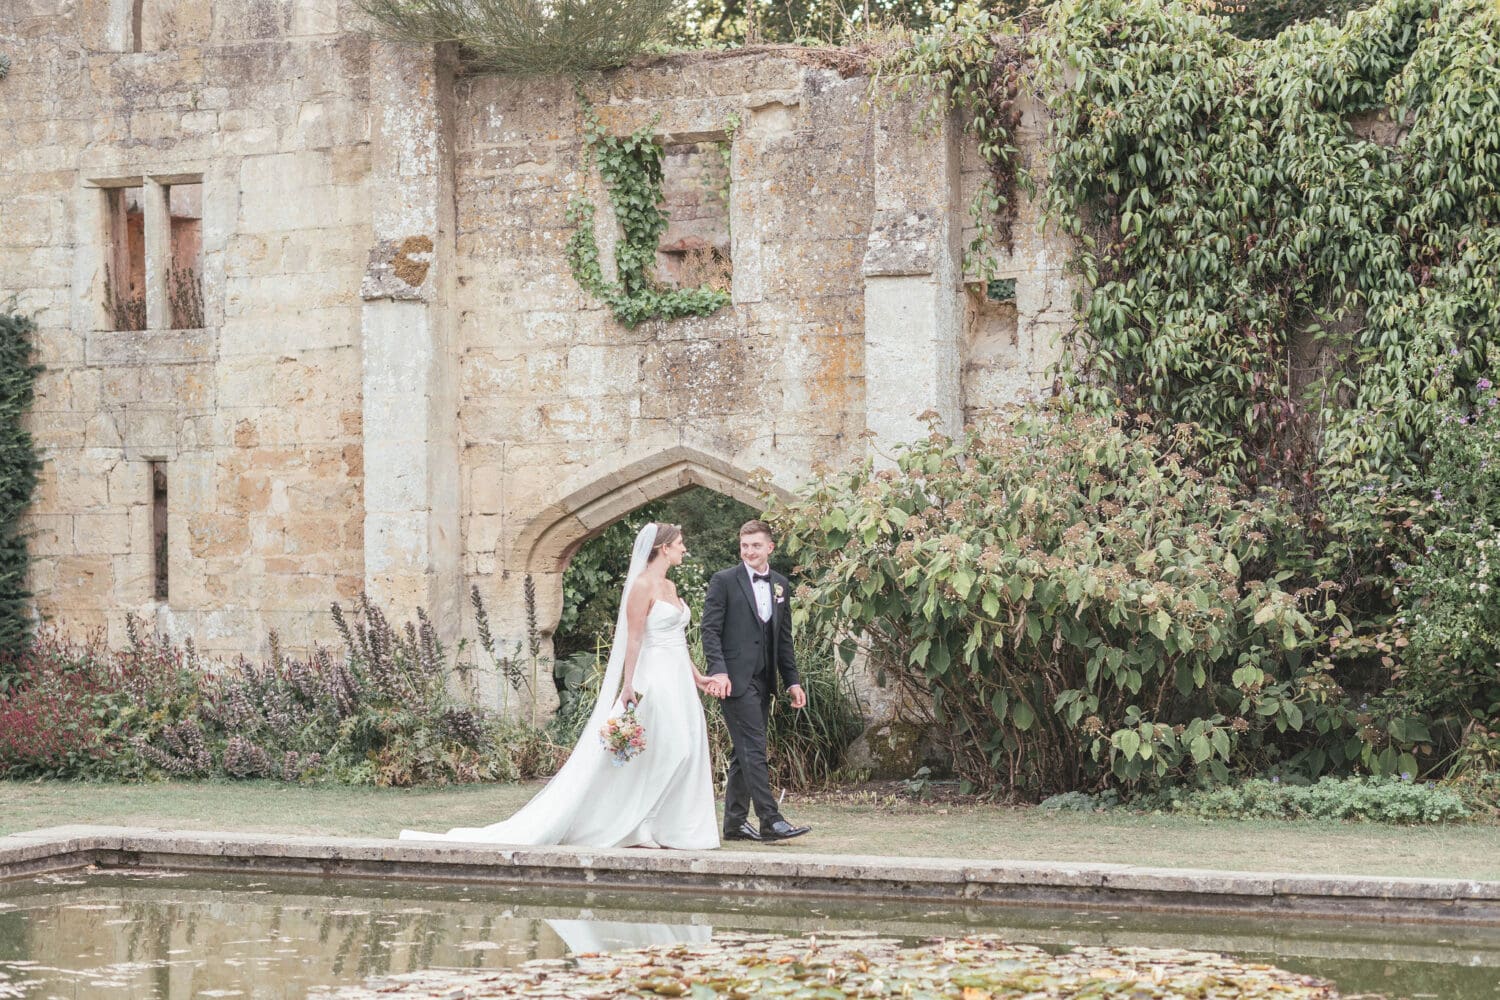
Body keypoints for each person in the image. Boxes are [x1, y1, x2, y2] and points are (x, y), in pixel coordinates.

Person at [399, 523, 729, 849]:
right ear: (664, 548)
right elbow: (634, 639)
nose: (684, 548)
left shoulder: (670, 586)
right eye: (680, 543)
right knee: (672, 748)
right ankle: (635, 824)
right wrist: (628, 684)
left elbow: (676, 639)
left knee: (683, 747)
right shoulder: (642, 586)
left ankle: (663, 825)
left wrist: (697, 676)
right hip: (654, 679)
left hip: (679, 680)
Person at [700, 519, 812, 842]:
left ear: (770, 548)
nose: (749, 551)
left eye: (756, 546)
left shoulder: (780, 585)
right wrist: (718, 671)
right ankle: (770, 820)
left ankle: (735, 824)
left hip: (765, 680)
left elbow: (783, 639)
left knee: (743, 751)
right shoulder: (724, 581)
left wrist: (792, 681)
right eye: (744, 546)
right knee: (754, 748)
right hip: (734, 680)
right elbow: (709, 630)